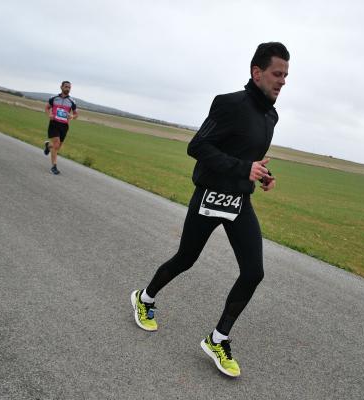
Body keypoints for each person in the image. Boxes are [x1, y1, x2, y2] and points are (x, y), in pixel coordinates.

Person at [130, 42, 290, 377]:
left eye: (286, 75)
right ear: (257, 72)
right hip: (209, 196)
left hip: (238, 201)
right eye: (277, 74)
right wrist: (241, 167)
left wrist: (262, 175)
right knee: (186, 259)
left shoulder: (270, 115)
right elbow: (198, 146)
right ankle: (144, 298)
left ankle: (218, 338)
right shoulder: (229, 103)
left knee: (254, 272)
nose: (283, 81)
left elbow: (250, 156)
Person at [43, 80, 77, 175]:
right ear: (61, 87)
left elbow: (76, 114)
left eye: (69, 87)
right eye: (66, 87)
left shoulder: (72, 101)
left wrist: (72, 117)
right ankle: (54, 166)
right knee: (57, 144)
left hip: (64, 126)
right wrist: (49, 114)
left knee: (57, 147)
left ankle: (48, 146)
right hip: (54, 123)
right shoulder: (54, 98)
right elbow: (46, 108)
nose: (68, 89)